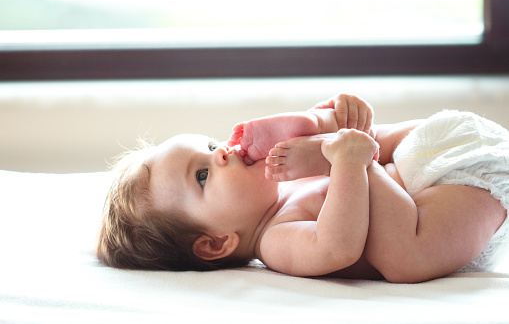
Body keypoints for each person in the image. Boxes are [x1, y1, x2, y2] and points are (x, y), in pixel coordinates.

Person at [96, 94, 509, 283]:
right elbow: (338, 247)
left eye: (210, 145)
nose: (222, 153)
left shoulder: (284, 180)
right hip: (461, 190)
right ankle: (340, 141)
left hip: (429, 145)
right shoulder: (275, 240)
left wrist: (341, 123)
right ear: (216, 243)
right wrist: (347, 162)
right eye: (202, 175)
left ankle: (321, 126)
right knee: (406, 260)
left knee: (360, 147)